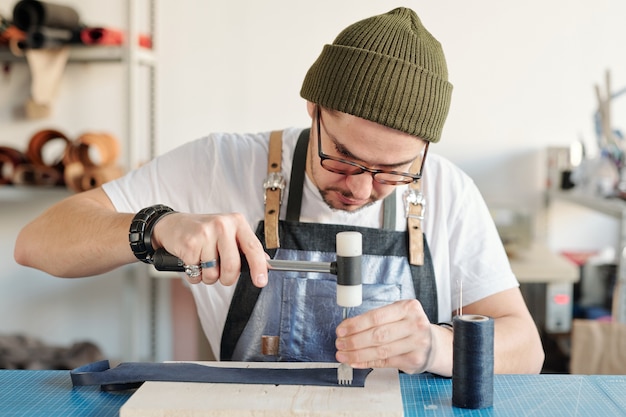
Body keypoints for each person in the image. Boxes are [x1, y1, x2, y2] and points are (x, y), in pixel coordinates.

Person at [14, 7, 544, 376]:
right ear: (312, 110)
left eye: (392, 172)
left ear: (424, 151)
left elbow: (527, 348)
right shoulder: (218, 162)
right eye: (342, 157)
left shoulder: (449, 191)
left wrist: (437, 346)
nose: (360, 188)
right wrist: (156, 225)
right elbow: (37, 244)